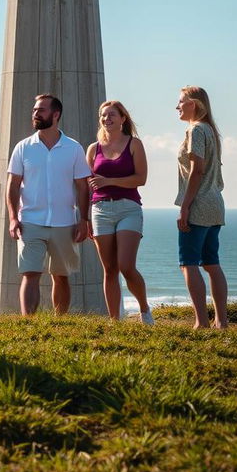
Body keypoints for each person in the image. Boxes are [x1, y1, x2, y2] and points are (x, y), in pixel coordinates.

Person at [6, 94, 91, 316]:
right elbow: (13, 185)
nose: (35, 114)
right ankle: (28, 324)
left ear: (55, 115)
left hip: (65, 223)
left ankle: (59, 322)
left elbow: (83, 187)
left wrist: (84, 220)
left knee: (61, 276)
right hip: (30, 221)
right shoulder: (23, 147)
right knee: (30, 273)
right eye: (35, 110)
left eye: (41, 110)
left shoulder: (73, 148)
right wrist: (13, 218)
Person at [86, 100, 154, 325]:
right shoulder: (93, 149)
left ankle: (144, 309)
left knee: (126, 265)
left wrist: (109, 180)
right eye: (103, 115)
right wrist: (86, 217)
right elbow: (87, 185)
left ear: (123, 118)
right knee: (109, 269)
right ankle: (115, 321)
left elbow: (141, 179)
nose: (107, 119)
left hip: (128, 208)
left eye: (112, 115)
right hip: (100, 210)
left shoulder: (134, 144)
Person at [175, 85, 228, 330]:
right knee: (212, 263)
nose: (177, 107)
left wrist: (185, 206)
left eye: (180, 102)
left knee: (189, 263)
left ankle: (201, 322)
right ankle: (221, 321)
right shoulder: (211, 130)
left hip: (198, 204)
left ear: (193, 104)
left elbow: (197, 170)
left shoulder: (196, 130)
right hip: (215, 204)